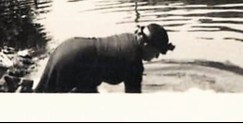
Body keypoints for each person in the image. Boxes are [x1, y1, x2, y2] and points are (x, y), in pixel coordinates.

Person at [34, 23, 175, 93]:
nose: (156, 56)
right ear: (145, 45)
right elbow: (134, 103)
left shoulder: (131, 39)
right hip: (74, 60)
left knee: (41, 95)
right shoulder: (133, 61)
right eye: (156, 52)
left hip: (69, 48)